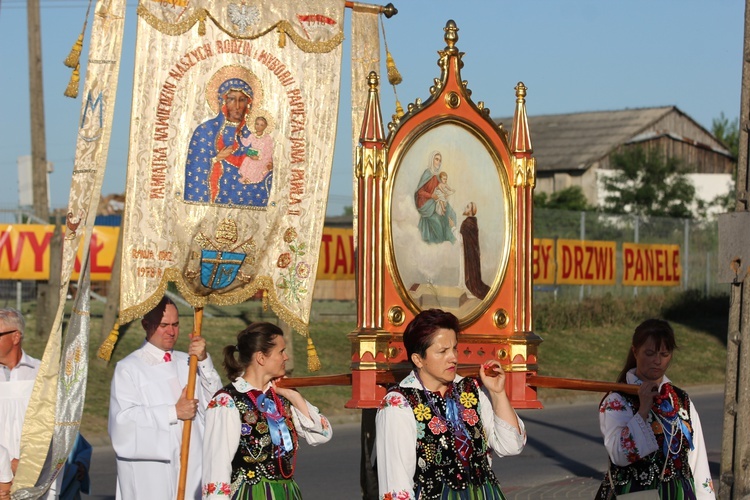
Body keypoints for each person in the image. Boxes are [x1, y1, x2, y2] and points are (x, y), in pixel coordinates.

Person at [376, 309, 526, 499]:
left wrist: (497, 393)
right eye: (442, 351)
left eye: (454, 348)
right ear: (418, 359)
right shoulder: (398, 405)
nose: (453, 357)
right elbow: (396, 487)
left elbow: (512, 445)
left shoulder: (470, 390)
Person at [108, 296, 222, 500]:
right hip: (153, 472)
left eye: (176, 324)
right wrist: (173, 412)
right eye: (164, 325)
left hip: (192, 465)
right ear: (146, 325)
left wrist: (204, 361)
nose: (171, 331)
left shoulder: (189, 362)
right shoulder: (129, 368)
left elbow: (217, 403)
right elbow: (122, 422)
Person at [202, 322, 332, 499]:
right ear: (261, 358)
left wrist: (294, 396)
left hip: (287, 493)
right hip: (250, 494)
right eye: (281, 351)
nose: (286, 357)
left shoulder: (282, 395)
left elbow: (322, 434)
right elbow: (216, 465)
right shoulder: (227, 401)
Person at [597, 319, 715, 499]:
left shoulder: (681, 400)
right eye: (650, 353)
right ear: (635, 352)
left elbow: (696, 458)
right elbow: (619, 455)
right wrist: (643, 410)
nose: (657, 361)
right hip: (635, 494)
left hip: (679, 494)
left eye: (664, 354)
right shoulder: (617, 400)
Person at [183, 75, 272, 207]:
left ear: (248, 103)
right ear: (222, 102)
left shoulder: (254, 135)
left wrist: (267, 165)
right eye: (231, 99)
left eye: (242, 100)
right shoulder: (205, 130)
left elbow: (265, 158)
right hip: (216, 193)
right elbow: (195, 167)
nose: (237, 106)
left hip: (247, 193)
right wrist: (215, 159)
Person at [0, 308, 40, 484]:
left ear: (15, 337)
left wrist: (26, 462)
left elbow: (50, 425)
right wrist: (4, 467)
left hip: (34, 470)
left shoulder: (41, 373)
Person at [414, 151, 457, 244]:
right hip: (426, 205)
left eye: (440, 160)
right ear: (432, 160)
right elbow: (420, 192)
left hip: (435, 201)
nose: (438, 162)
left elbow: (440, 188)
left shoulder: (437, 176)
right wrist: (431, 196)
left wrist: (444, 194)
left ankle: (452, 238)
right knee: (437, 224)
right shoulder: (427, 173)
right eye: (436, 159)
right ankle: (440, 243)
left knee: (451, 213)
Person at [459, 202, 490, 300]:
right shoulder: (472, 222)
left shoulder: (467, 224)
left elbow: (461, 239)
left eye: (467, 207)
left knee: (475, 285)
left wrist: (452, 228)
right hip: (473, 254)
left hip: (470, 255)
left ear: (471, 211)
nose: (465, 207)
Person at [238, 116, 275, 186]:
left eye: (261, 125)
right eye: (257, 124)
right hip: (253, 155)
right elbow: (246, 143)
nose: (258, 126)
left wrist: (259, 158)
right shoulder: (252, 135)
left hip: (264, 158)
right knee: (247, 160)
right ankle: (246, 177)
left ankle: (252, 179)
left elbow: (269, 152)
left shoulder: (267, 138)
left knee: (255, 164)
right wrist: (241, 136)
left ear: (265, 127)